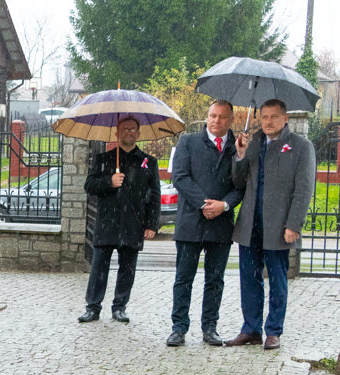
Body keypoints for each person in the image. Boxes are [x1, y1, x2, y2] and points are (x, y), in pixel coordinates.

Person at [225, 99, 316, 350]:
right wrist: (241, 155)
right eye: (264, 117)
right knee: (249, 278)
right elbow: (239, 181)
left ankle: (273, 330)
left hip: (279, 226)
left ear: (285, 118)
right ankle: (250, 329)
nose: (268, 121)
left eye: (274, 117)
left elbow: (304, 189)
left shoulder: (300, 147)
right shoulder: (253, 143)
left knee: (277, 279)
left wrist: (293, 224)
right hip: (250, 222)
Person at [166, 100, 243, 347]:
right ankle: (178, 328)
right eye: (212, 115)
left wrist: (223, 205)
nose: (216, 121)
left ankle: (210, 327)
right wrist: (204, 203)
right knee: (183, 278)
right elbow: (179, 176)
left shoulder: (238, 147)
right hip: (191, 222)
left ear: (230, 119)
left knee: (215, 279)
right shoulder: (188, 142)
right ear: (206, 116)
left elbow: (242, 185)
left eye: (222, 117)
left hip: (221, 225)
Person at [78, 116, 161, 323]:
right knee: (99, 267)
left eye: (133, 130)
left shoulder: (147, 162)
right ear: (117, 133)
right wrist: (109, 181)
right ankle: (93, 307)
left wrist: (152, 224)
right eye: (125, 129)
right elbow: (89, 186)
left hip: (134, 223)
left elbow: (155, 195)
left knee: (127, 268)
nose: (129, 133)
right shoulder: (104, 159)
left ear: (138, 134)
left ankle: (120, 306)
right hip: (107, 223)